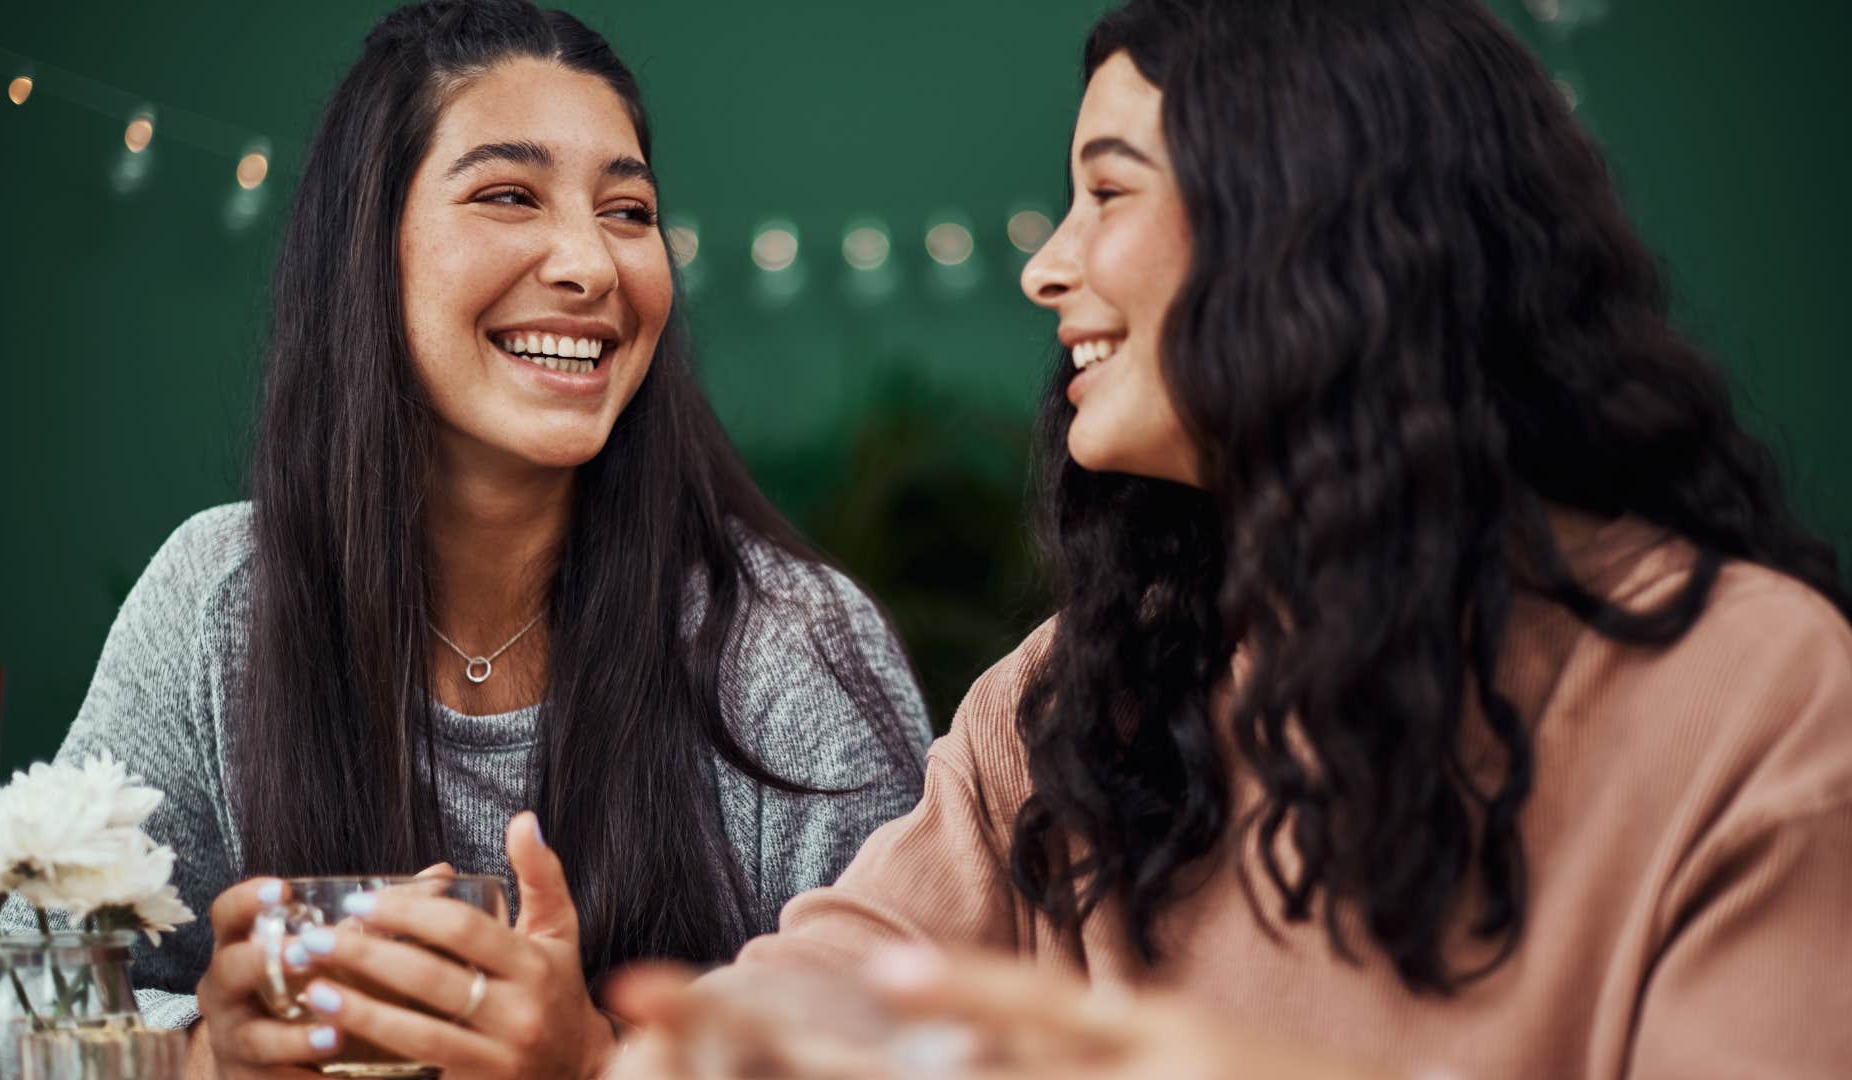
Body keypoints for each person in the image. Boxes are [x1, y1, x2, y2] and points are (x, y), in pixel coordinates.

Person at [606, 1, 1852, 1077]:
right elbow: (832, 981)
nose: (1047, 267)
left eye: (1106, 192)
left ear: (1316, 228)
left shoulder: (1752, 693)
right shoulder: (1072, 698)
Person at [0, 1, 931, 1076]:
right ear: (369, 244)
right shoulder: (223, 602)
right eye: (507, 195)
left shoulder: (784, 645)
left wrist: (598, 1056)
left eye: (627, 210)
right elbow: (8, 1009)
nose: (590, 263)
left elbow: (909, 1048)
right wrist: (209, 1054)